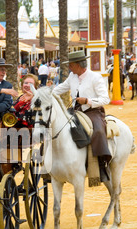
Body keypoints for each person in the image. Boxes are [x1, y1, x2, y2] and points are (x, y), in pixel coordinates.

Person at [53, 50, 111, 182]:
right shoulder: (72, 77)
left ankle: (101, 165)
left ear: (78, 65)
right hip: (75, 111)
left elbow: (105, 99)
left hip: (93, 111)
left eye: (71, 65)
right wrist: (44, 93)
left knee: (98, 131)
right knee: (57, 125)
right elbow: (60, 88)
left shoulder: (95, 77)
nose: (69, 68)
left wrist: (87, 101)